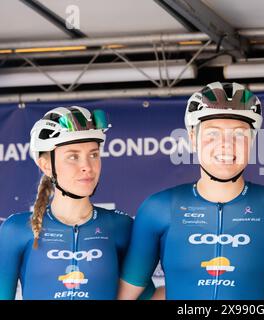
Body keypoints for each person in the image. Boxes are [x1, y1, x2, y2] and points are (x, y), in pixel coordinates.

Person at [118, 82, 264, 300]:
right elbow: (126, 295)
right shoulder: (158, 208)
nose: (226, 144)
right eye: (213, 134)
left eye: (239, 135)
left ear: (252, 141)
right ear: (192, 139)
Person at [0, 106, 155, 300]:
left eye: (93, 154)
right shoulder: (15, 230)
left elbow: (148, 296)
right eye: (73, 156)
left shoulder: (120, 226)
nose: (87, 167)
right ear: (45, 165)